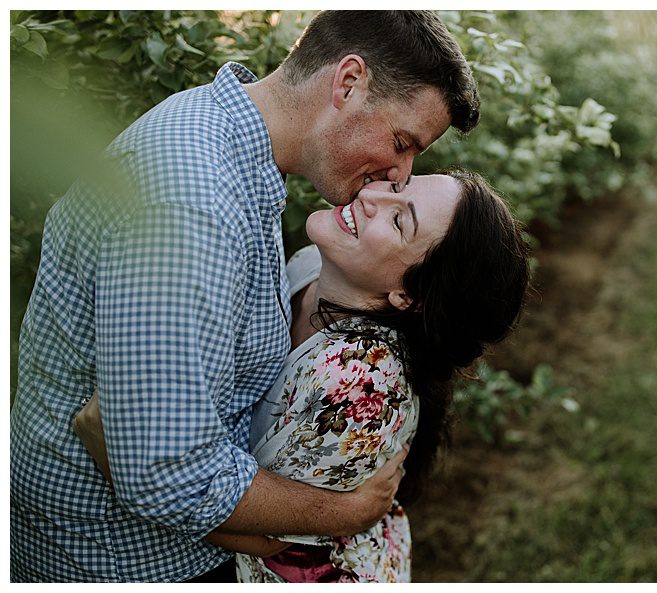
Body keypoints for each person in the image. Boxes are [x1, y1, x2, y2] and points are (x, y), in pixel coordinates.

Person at [11, 11, 479, 582]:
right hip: (120, 563)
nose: (398, 173)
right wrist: (349, 512)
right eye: (402, 143)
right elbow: (166, 474)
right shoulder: (195, 202)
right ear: (349, 82)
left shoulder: (230, 153)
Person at [76, 172, 531, 582]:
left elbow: (254, 526)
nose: (371, 196)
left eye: (398, 221)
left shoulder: (358, 380)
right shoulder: (311, 264)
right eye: (396, 187)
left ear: (408, 295)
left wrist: (118, 459)